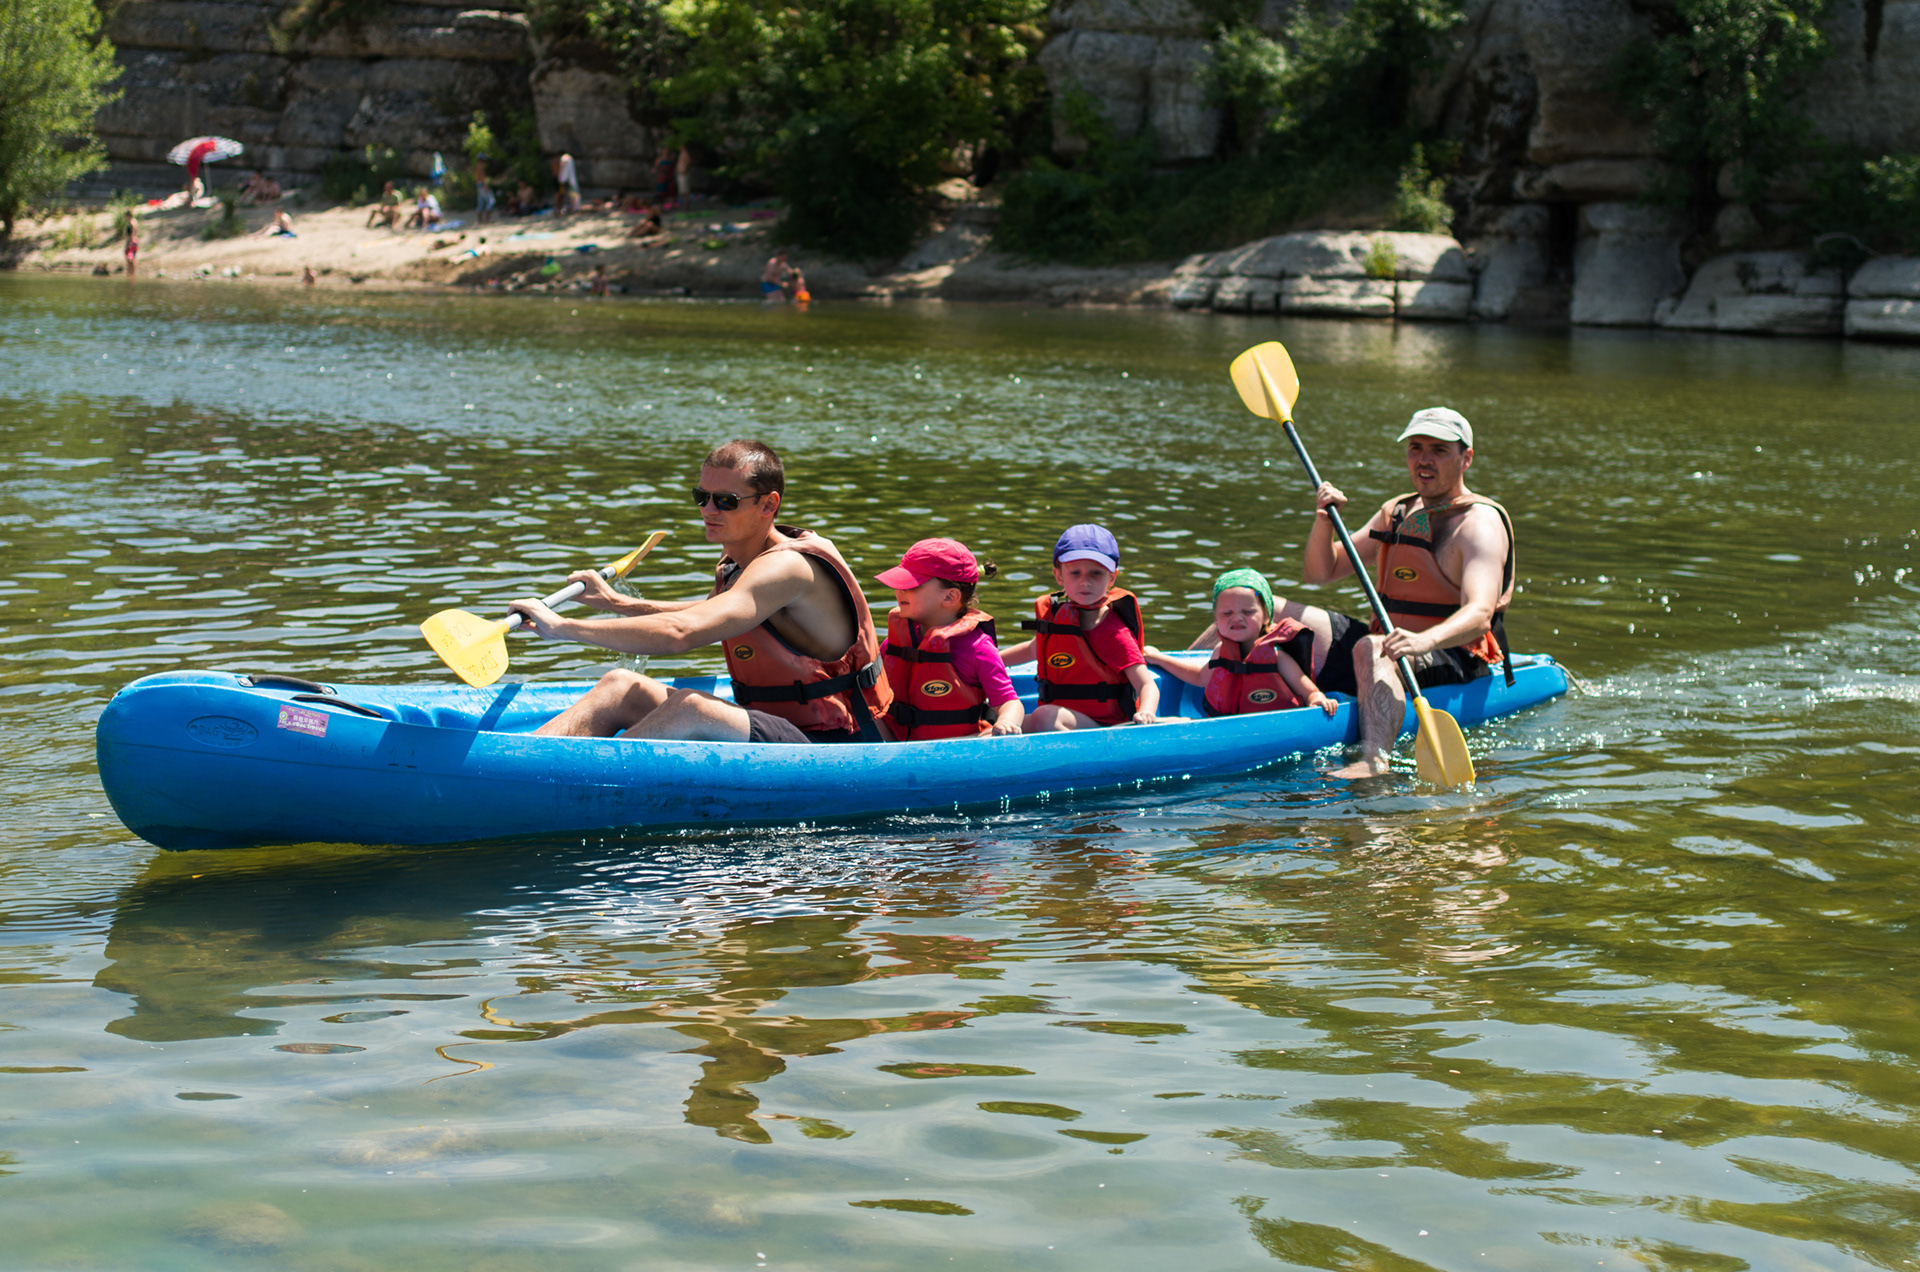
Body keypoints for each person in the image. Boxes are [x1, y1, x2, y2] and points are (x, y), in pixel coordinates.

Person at [506, 439, 892, 744]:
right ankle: (526, 764)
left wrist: (561, 627)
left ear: (768, 504)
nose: (708, 510)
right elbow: (710, 612)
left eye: (726, 501)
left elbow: (682, 632)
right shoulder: (737, 561)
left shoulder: (787, 567)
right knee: (620, 685)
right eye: (701, 496)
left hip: (838, 742)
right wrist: (616, 603)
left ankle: (577, 781)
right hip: (774, 725)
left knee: (692, 707)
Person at [1304, 407, 1516, 778]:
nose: (1424, 460)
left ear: (1466, 458)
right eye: (1415, 448)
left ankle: (1373, 762)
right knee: (1262, 607)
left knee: (1372, 647)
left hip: (1452, 653)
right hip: (1389, 643)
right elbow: (1321, 572)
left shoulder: (1478, 524)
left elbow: (1480, 613)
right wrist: (1325, 522)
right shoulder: (1399, 511)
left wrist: (1422, 641)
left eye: (1439, 450)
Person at [1001, 524, 1158, 731]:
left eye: (1096, 573)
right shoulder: (1057, 623)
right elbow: (1033, 649)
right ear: (1058, 576)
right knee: (1004, 723)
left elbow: (1146, 684)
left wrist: (1146, 712)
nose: (1085, 582)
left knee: (1044, 716)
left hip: (1104, 726)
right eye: (1075, 573)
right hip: (1063, 719)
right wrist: (987, 662)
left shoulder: (1114, 632)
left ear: (1112, 577)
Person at [877, 539, 1023, 741]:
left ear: (949, 597)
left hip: (960, 745)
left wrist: (1007, 721)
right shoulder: (895, 642)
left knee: (988, 736)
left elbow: (1009, 702)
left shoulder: (978, 648)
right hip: (896, 743)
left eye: (911, 585)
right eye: (900, 583)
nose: (899, 589)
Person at [1144, 568, 1336, 718]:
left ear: (1266, 616)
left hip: (1275, 728)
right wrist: (1159, 658)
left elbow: (1309, 691)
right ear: (1216, 620)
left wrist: (1317, 699)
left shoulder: (1278, 657)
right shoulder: (1220, 651)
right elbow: (1200, 677)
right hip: (1229, 727)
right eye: (1227, 613)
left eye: (1248, 612)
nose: (1236, 618)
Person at [473, 158, 495, 225]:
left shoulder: (476, 167)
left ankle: (480, 220)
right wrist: (485, 185)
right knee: (491, 201)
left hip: (478, 185)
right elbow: (482, 177)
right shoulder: (480, 167)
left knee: (481, 202)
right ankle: (487, 219)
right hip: (482, 185)